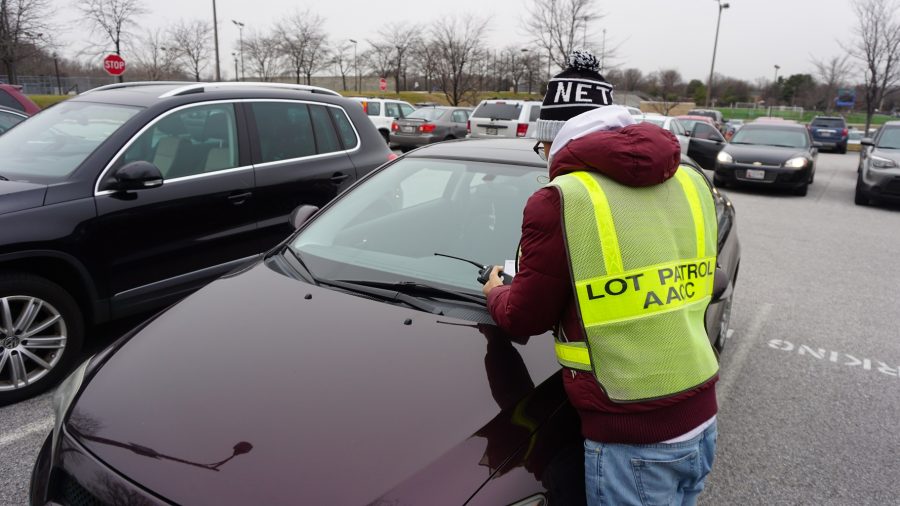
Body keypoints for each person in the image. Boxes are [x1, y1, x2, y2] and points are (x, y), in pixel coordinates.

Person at [481, 49, 720, 506]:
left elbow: (524, 317)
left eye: (541, 145)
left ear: (555, 138)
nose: (543, 155)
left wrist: (497, 291)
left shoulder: (561, 199)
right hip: (701, 414)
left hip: (631, 436)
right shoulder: (691, 181)